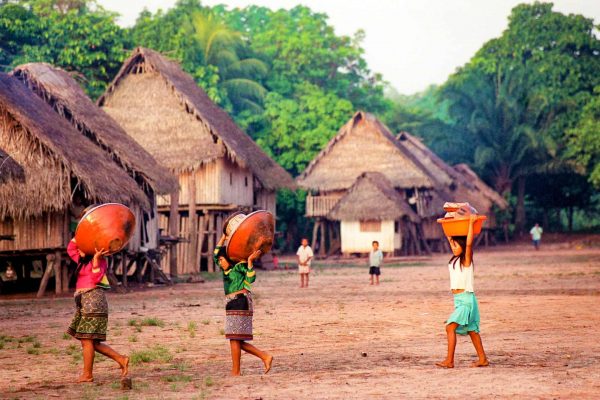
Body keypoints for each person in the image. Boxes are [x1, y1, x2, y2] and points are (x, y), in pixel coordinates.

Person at [66, 238, 129, 382]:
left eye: (82, 248)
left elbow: (95, 279)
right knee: (90, 342)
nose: (78, 250)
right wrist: (83, 233)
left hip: (94, 300)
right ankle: (121, 359)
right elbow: (71, 248)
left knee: (87, 339)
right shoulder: (81, 261)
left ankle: (87, 375)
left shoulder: (101, 261)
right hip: (84, 301)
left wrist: (95, 259)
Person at [215, 234, 273, 376]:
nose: (221, 262)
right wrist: (223, 237)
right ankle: (263, 357)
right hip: (230, 303)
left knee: (235, 338)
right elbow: (216, 253)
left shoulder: (239, 267)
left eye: (223, 259)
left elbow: (251, 279)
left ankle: (237, 370)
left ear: (228, 258)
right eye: (220, 260)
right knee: (235, 339)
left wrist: (249, 262)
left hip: (241, 301)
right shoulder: (225, 271)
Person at [436, 214, 489, 368]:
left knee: (449, 327)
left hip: (466, 299)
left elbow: (469, 244)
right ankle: (482, 359)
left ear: (462, 246)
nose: (453, 248)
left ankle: (449, 361)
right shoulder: (455, 259)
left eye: (456, 246)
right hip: (460, 300)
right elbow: (449, 237)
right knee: (472, 331)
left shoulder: (466, 259)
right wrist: (446, 223)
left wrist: (471, 223)